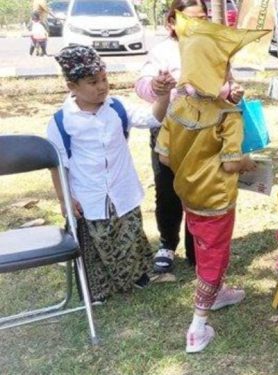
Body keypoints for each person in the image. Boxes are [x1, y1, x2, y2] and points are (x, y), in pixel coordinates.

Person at [154, 12, 268, 353]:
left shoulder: (178, 106)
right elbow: (232, 162)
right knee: (214, 255)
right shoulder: (226, 114)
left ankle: (217, 294)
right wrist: (249, 164)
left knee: (204, 245)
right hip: (218, 197)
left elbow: (163, 157)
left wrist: (191, 164)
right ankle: (198, 326)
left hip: (189, 194)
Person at [47, 45, 171, 302]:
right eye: (93, 82)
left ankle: (137, 276)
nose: (102, 86)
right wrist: (64, 198)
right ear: (72, 86)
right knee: (97, 240)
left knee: (130, 231)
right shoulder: (61, 121)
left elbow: (153, 118)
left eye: (104, 79)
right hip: (88, 193)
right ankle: (99, 290)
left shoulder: (117, 108)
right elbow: (57, 164)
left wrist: (164, 95)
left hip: (121, 187)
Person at [135, 0, 245, 273]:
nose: (199, 24)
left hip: (209, 134)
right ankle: (167, 244)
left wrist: (233, 93)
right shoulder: (163, 51)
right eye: (191, 19)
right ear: (172, 22)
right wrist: (157, 85)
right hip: (172, 131)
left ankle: (199, 247)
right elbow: (142, 85)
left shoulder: (215, 46)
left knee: (203, 188)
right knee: (168, 189)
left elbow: (225, 85)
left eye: (203, 18)